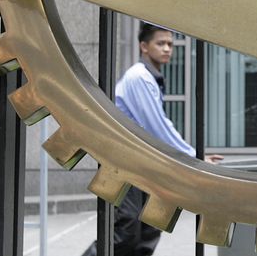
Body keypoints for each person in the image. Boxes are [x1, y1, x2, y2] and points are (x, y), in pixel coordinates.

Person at [82, 23, 222, 256]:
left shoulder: (149, 77)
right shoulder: (139, 78)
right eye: (161, 43)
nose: (167, 49)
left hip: (143, 164)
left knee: (148, 232)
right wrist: (193, 156)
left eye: (170, 44)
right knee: (125, 230)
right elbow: (157, 127)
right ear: (143, 46)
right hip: (126, 163)